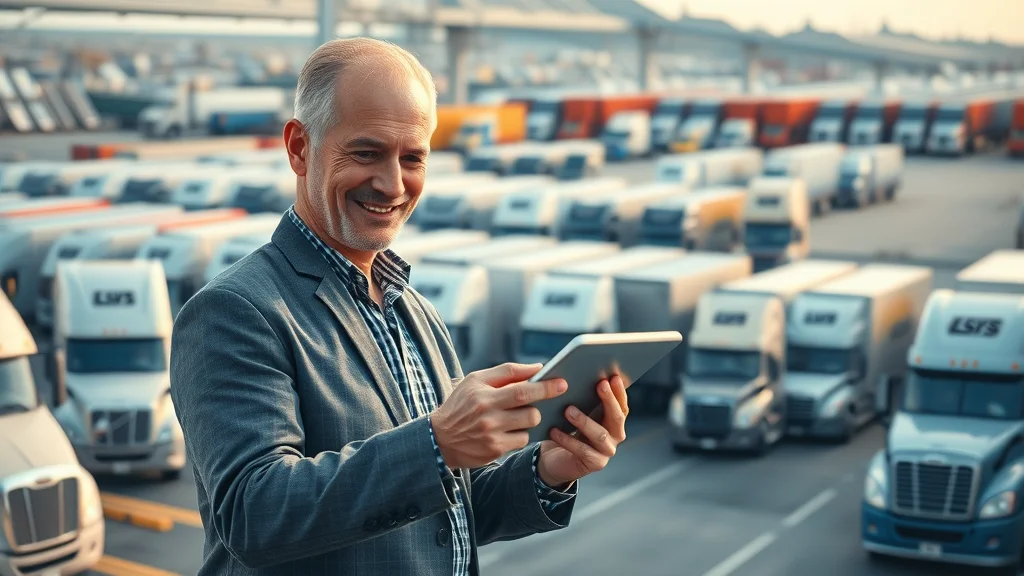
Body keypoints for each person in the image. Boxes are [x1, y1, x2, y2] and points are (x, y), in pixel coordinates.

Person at [169, 37, 631, 575]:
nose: (392, 184)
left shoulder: (413, 309)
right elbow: (253, 514)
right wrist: (437, 443)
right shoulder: (235, 310)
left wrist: (548, 471)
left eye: (413, 158)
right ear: (299, 147)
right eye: (366, 153)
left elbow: (443, 516)